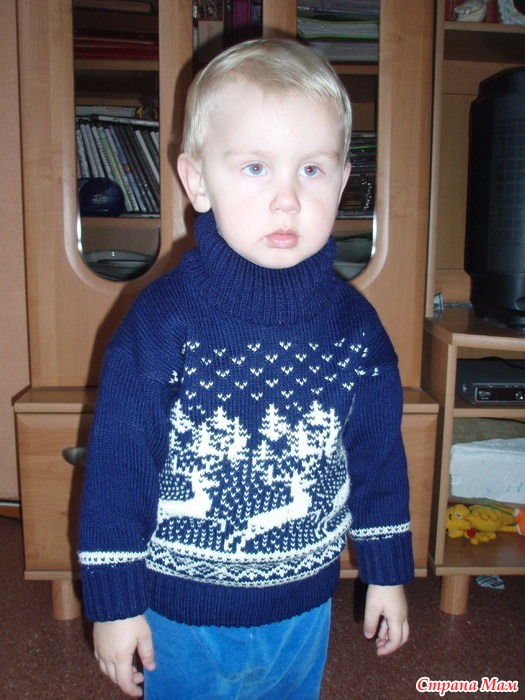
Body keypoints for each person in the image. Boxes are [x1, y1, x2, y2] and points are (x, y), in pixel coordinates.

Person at [78, 38, 413, 699]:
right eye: (256, 167)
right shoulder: (163, 321)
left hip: (305, 609)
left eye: (311, 170)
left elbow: (377, 454)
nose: (287, 200)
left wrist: (386, 570)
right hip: (180, 614)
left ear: (343, 180)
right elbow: (120, 461)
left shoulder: (355, 327)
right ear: (198, 181)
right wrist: (115, 602)